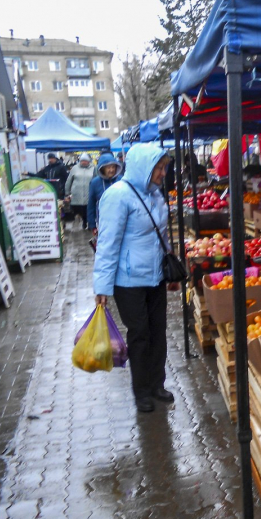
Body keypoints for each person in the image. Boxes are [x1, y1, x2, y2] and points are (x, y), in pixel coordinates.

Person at [92, 143, 179, 413]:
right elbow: (107, 244)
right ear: (144, 166)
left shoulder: (155, 195)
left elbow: (163, 235)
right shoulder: (118, 196)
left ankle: (157, 384)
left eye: (165, 167)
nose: (164, 173)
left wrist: (171, 268)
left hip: (156, 277)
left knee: (158, 332)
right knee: (140, 334)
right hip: (128, 281)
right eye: (159, 168)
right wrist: (102, 288)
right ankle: (141, 391)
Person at [87, 153, 123, 235]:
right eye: (108, 167)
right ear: (102, 168)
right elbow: (91, 204)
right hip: (103, 223)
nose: (111, 170)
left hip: (121, 220)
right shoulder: (95, 183)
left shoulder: (122, 180)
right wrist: (92, 225)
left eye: (113, 167)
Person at [64, 153, 95, 230]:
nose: (83, 162)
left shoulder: (94, 168)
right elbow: (69, 181)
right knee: (77, 210)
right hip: (76, 194)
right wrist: (67, 193)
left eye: (85, 161)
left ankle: (86, 224)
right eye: (82, 161)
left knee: (87, 209)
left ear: (89, 161)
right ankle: (79, 222)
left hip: (89, 193)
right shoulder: (75, 168)